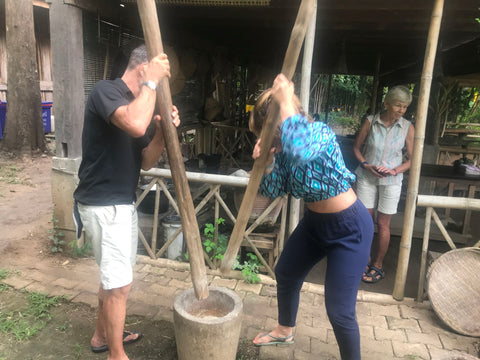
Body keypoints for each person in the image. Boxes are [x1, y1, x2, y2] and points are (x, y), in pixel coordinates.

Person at [250, 73, 374, 360]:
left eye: (270, 134)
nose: (269, 141)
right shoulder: (282, 149)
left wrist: (284, 102)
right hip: (315, 225)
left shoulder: (318, 133)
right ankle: (284, 330)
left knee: (340, 312)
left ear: (281, 124)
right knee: (286, 272)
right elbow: (272, 190)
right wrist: (266, 162)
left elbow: (302, 150)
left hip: (349, 227)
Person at [73, 45, 180, 360]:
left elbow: (146, 160)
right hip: (104, 205)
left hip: (120, 203)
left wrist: (160, 132)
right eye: (157, 75)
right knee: (119, 285)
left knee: (113, 279)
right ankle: (116, 355)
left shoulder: (140, 106)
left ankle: (101, 336)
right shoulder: (107, 92)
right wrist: (151, 84)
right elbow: (134, 124)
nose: (159, 85)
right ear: (144, 67)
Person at [352, 85, 414, 284]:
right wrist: (365, 164)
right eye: (398, 105)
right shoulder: (371, 122)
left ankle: (377, 264)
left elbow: (412, 160)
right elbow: (356, 148)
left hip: (392, 180)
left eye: (405, 107)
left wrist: (395, 170)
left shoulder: (407, 128)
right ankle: (364, 260)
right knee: (365, 221)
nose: (401, 110)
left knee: (383, 224)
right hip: (367, 176)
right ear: (386, 104)